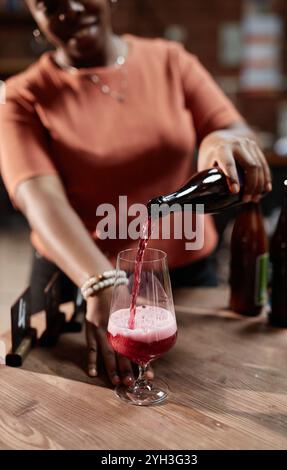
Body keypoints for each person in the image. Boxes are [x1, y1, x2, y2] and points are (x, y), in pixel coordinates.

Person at [0, 0, 272, 385]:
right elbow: (38, 197)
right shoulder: (21, 94)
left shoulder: (170, 60)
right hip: (80, 282)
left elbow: (233, 129)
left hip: (186, 279)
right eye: (51, 3)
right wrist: (101, 280)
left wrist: (220, 145)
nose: (72, 8)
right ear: (35, 15)